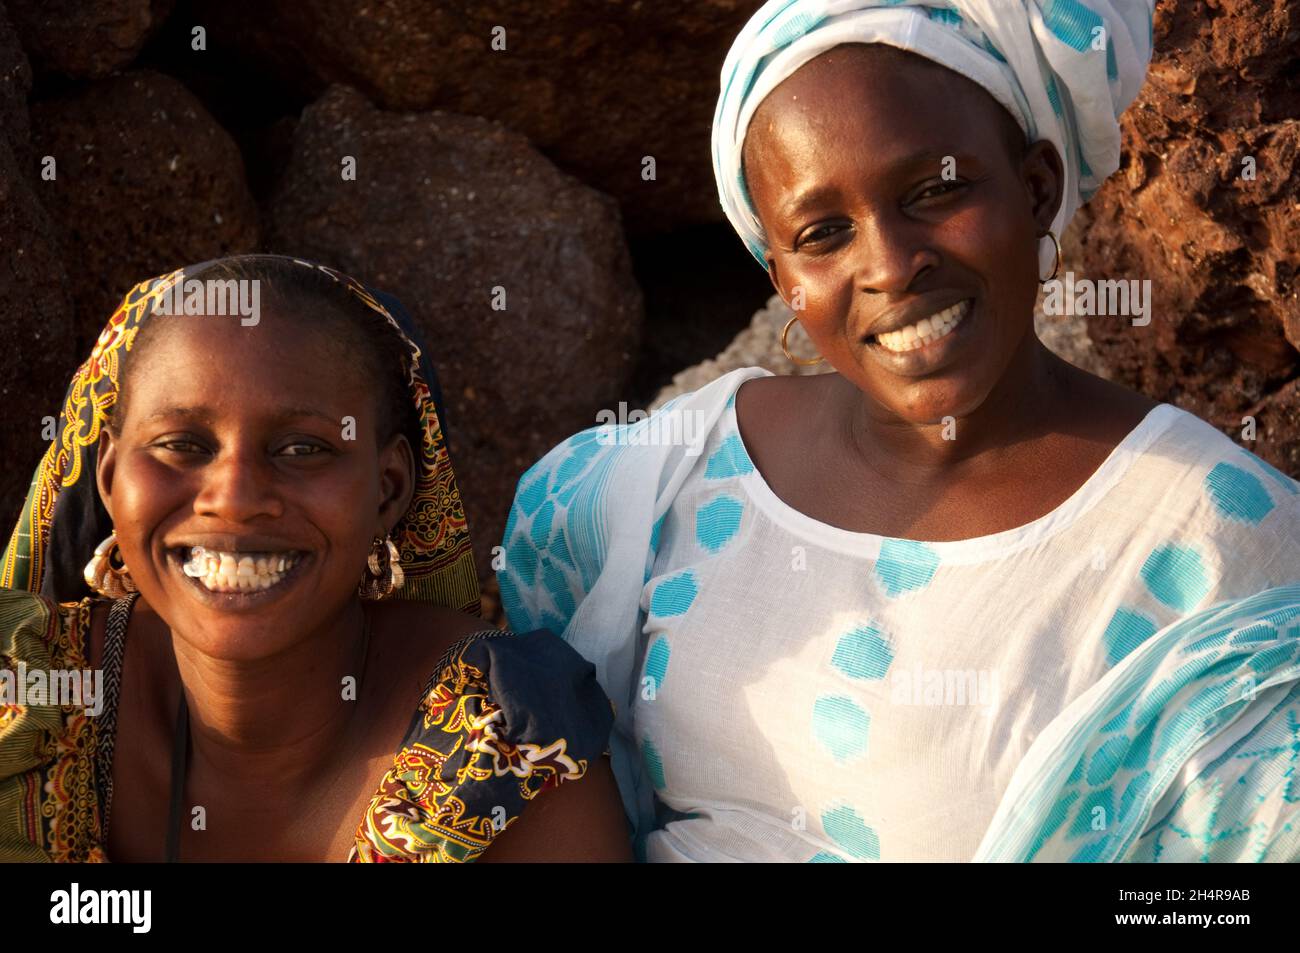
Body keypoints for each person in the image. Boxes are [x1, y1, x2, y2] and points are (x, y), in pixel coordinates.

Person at [497, 1, 1300, 862]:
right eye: (823, 234)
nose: (888, 264)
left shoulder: (1214, 540)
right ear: (782, 280)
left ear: (1038, 187)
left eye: (935, 190)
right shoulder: (656, 483)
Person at [0, 254, 631, 862]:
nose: (236, 498)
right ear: (110, 478)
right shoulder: (22, 700)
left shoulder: (500, 749)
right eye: (181, 444)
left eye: (303, 449)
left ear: (388, 489)